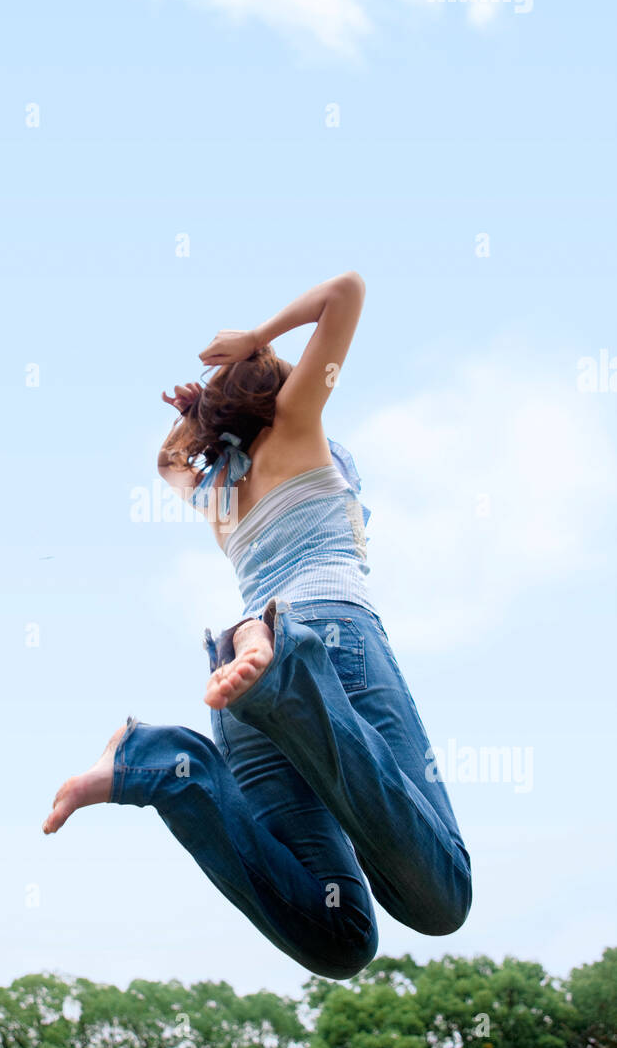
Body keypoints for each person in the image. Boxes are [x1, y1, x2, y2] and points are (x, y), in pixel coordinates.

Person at [43, 273, 472, 979]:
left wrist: (201, 416)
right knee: (442, 899)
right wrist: (256, 340)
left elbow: (168, 460)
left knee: (341, 938)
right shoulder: (297, 427)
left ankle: (154, 764)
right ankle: (280, 651)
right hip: (324, 642)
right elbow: (348, 291)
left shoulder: (218, 492)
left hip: (240, 697)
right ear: (277, 392)